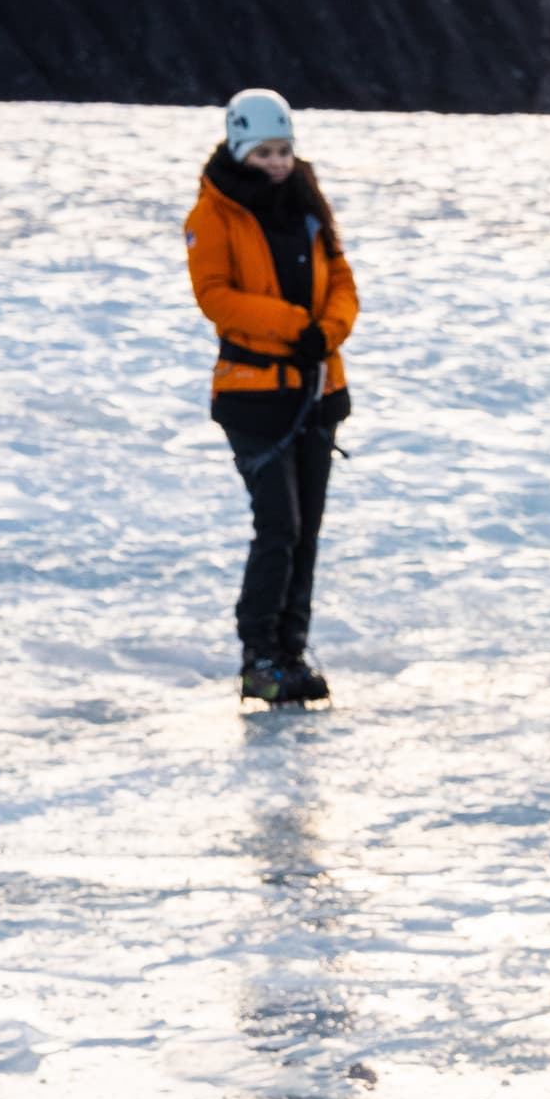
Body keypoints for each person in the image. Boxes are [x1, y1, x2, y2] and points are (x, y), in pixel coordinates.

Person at [185, 87, 356, 706]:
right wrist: (293, 329)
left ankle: (291, 652)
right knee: (279, 525)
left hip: (316, 391)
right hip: (255, 397)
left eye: (284, 150)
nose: (279, 163)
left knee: (305, 528)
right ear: (240, 150)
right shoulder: (215, 214)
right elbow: (216, 296)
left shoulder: (307, 204)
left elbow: (340, 279)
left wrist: (326, 334)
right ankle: (258, 657)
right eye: (265, 152)